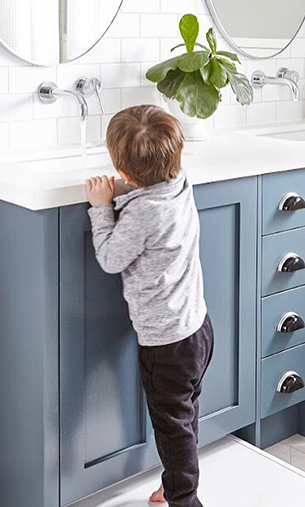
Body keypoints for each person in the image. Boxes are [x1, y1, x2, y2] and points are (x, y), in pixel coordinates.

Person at [84, 105, 213, 507]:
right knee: (186, 418)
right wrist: (126, 186)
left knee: (172, 428)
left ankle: (184, 499)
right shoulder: (179, 183)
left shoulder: (140, 213)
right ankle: (174, 483)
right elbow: (148, 184)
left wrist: (101, 207)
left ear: (122, 170)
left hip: (166, 345)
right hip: (198, 329)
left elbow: (109, 257)